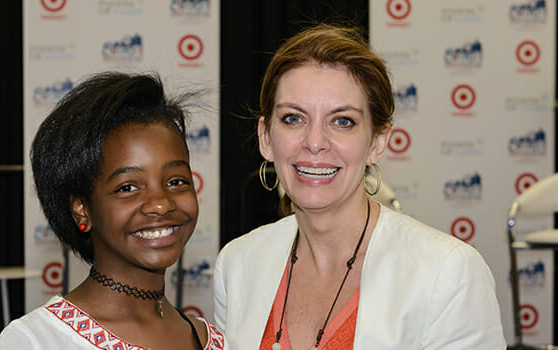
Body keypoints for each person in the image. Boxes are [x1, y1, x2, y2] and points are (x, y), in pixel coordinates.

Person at [213, 24, 505, 349]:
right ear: (265, 138)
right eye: (294, 118)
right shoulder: (237, 266)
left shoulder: (449, 273)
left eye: (342, 121)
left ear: (377, 143)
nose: (314, 142)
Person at [0, 72, 225, 350]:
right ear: (82, 209)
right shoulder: (37, 341)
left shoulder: (217, 340)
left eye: (176, 181)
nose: (161, 203)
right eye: (128, 187)